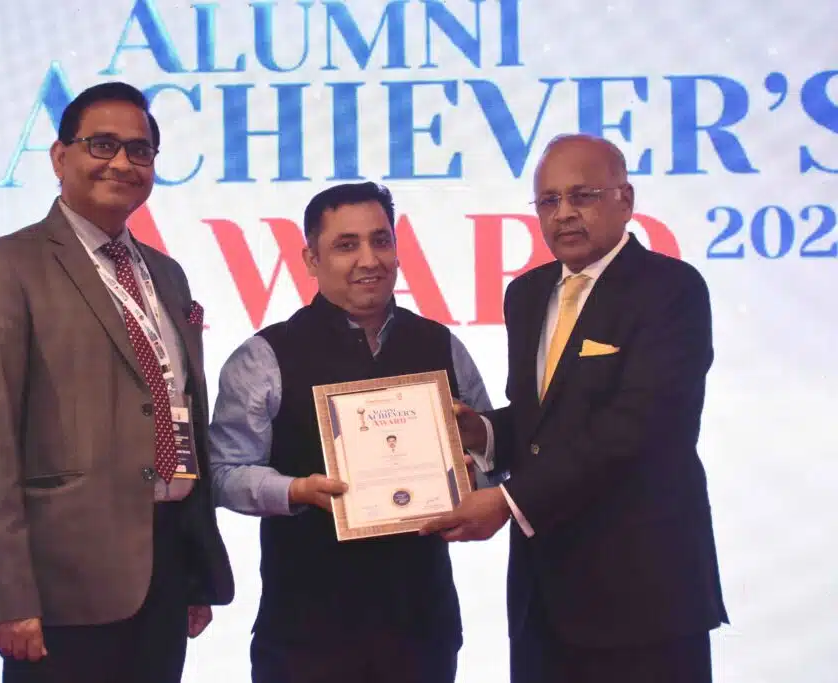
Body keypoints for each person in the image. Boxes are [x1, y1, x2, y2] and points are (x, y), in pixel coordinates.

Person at [0, 81, 233, 683]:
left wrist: (193, 569)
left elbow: (176, 412)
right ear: (58, 157)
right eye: (102, 144)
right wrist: (7, 593)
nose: (122, 162)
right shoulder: (3, 267)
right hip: (59, 583)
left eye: (140, 150)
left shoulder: (167, 275)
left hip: (164, 565)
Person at [422, 134, 728, 683]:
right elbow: (541, 421)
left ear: (625, 200)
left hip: (644, 596)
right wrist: (481, 432)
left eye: (582, 195)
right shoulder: (526, 294)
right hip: (544, 598)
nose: (563, 213)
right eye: (548, 200)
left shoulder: (671, 290)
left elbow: (638, 428)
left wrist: (509, 501)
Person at [207, 182, 493, 683]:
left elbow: (491, 454)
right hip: (306, 637)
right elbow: (222, 473)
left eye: (381, 241)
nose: (369, 259)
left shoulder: (441, 345)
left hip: (422, 631)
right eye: (346, 245)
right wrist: (295, 490)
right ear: (311, 259)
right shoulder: (265, 357)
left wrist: (475, 477)